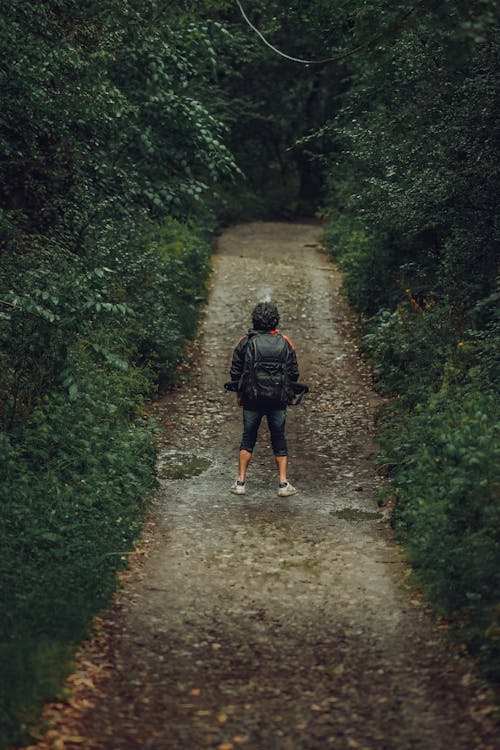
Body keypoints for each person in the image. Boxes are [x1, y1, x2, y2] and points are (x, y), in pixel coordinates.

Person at [228, 301, 299, 497]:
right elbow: (294, 373)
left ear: (255, 320)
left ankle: (240, 482)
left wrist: (239, 394)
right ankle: (283, 484)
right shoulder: (285, 342)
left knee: (248, 437)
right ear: (275, 320)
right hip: (278, 399)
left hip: (252, 398)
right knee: (279, 438)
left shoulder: (245, 341)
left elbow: (235, 372)